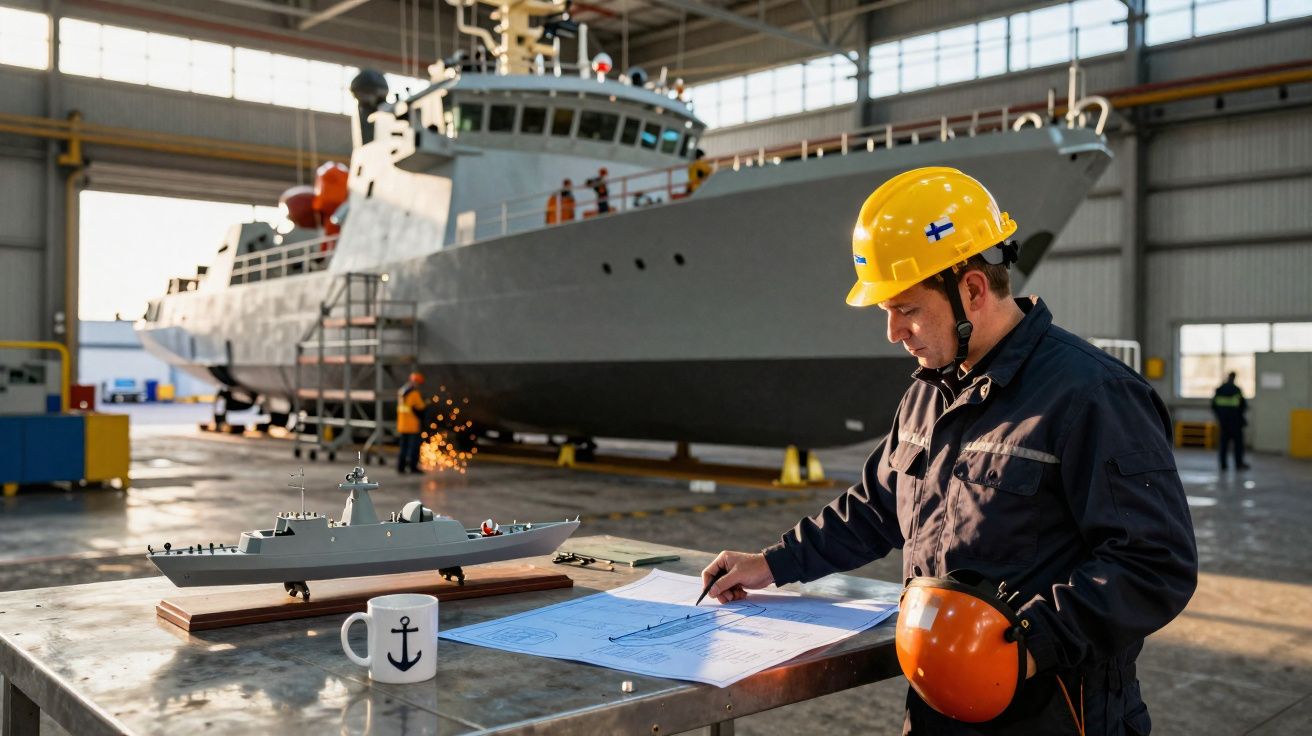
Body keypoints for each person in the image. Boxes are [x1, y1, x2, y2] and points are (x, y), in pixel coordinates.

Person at [701, 167, 1197, 735]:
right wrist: (771, 564)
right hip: (938, 703)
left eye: (906, 309)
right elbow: (876, 509)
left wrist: (1023, 646)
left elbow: (1153, 562)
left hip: (1053, 712)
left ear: (973, 290)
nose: (893, 332)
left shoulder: (1092, 396)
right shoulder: (929, 392)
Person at [1211, 371, 1249, 471]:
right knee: (1238, 444)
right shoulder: (1237, 390)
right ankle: (1238, 463)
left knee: (1223, 443)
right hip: (1235, 422)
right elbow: (1243, 406)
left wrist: (1220, 416)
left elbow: (1213, 406)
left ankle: (1223, 464)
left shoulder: (1219, 389)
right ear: (1234, 378)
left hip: (1223, 422)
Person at [396, 372, 427, 474]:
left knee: (403, 448)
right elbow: (420, 408)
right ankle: (413, 468)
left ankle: (400, 467)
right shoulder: (414, 394)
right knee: (414, 448)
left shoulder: (401, 392)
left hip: (402, 425)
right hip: (412, 425)